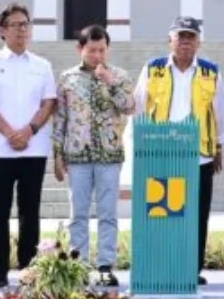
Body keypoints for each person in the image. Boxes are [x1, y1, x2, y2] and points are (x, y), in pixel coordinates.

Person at [133, 16, 224, 285]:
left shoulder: (210, 71)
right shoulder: (153, 69)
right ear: (170, 40)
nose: (186, 42)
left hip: (198, 154)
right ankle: (161, 264)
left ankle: (192, 268)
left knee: (197, 215)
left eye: (191, 37)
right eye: (181, 36)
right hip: (161, 153)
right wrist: (141, 146)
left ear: (199, 41)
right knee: (160, 212)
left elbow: (220, 112)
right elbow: (139, 107)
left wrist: (219, 147)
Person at [0, 3, 57, 289]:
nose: (22, 30)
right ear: (2, 31)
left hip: (33, 149)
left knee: (29, 212)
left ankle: (28, 270)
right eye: (15, 25)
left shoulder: (42, 65)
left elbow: (49, 103)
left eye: (25, 25)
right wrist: (10, 133)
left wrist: (29, 130)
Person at [52, 24, 134, 285]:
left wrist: (109, 83)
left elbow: (130, 107)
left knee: (108, 213)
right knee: (78, 213)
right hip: (77, 156)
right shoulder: (67, 78)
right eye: (91, 50)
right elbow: (60, 119)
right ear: (80, 49)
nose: (97, 55)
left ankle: (105, 266)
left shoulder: (119, 76)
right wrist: (57, 154)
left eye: (101, 50)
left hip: (109, 156)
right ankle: (79, 266)